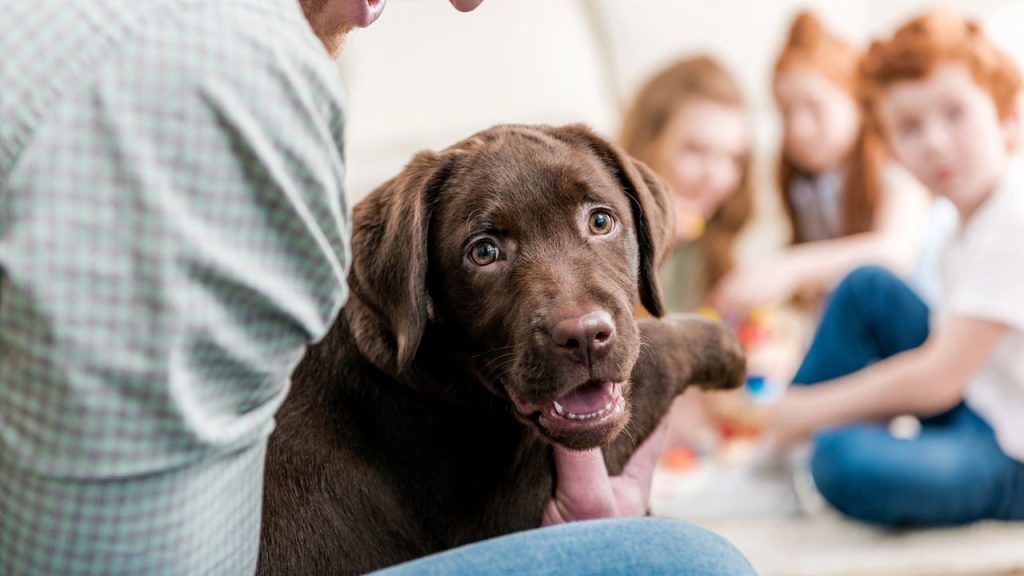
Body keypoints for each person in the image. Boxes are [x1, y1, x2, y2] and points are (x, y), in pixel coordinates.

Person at [0, 0, 754, 574]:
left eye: (599, 221)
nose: (582, 318)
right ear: (409, 284)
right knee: (691, 560)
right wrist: (678, 346)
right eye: (485, 250)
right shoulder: (241, 70)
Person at [761, 10, 1024, 526]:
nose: (935, 142)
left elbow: (939, 379)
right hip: (982, 407)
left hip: (1012, 453)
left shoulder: (1011, 215)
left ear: (1006, 117)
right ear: (892, 149)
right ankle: (778, 459)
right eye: (909, 127)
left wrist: (810, 409)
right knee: (867, 289)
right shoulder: (954, 222)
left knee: (839, 461)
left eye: (955, 114)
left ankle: (789, 439)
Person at [712, 10, 939, 315]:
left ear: (857, 102)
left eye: (814, 107)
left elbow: (895, 252)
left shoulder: (896, 166)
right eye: (786, 111)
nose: (798, 128)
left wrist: (791, 267)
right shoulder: (808, 187)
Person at [620, 55, 754, 314]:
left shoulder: (724, 229)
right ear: (649, 143)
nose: (718, 178)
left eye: (734, 158)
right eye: (696, 150)